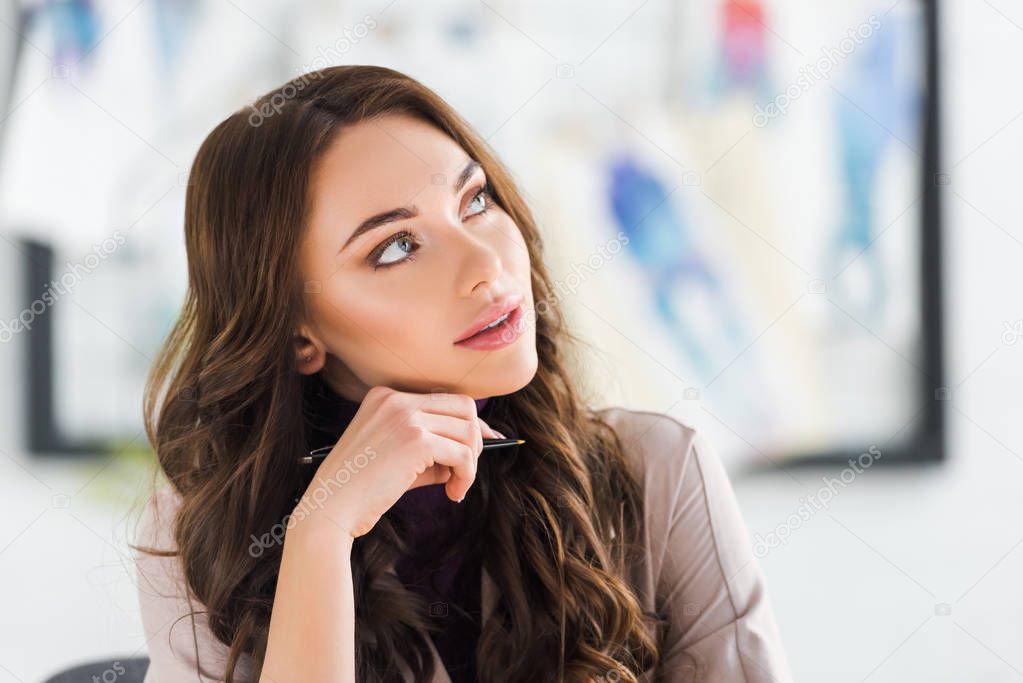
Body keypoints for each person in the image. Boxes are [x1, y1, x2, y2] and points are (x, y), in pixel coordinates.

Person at [131, 64, 793, 682]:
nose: (486, 264)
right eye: (396, 246)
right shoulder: (200, 535)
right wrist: (320, 534)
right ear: (297, 331)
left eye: (474, 201)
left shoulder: (656, 470)